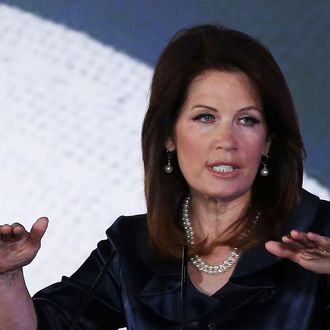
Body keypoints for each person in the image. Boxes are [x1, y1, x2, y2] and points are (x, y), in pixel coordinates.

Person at [0, 24, 329, 330]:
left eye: (247, 121)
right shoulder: (133, 247)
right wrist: (7, 277)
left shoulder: (321, 232)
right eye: (205, 117)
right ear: (169, 136)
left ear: (268, 141)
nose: (227, 141)